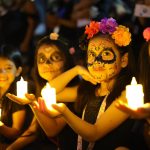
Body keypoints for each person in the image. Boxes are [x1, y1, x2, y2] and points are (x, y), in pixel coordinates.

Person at [34, 18, 148, 149]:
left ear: (124, 60)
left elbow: (94, 133)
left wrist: (65, 112)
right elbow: (48, 91)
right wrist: (76, 70)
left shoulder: (128, 95)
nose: (97, 61)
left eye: (105, 54)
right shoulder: (89, 90)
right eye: (92, 55)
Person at [6, 33, 79, 150]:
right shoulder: (42, 89)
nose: (47, 64)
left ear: (67, 61)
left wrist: (32, 103)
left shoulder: (74, 90)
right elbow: (33, 130)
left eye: (55, 57)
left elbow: (52, 130)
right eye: (41, 59)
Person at [0, 45, 31, 149]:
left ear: (18, 71)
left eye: (8, 68)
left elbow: (15, 133)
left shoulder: (18, 95)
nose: (2, 73)